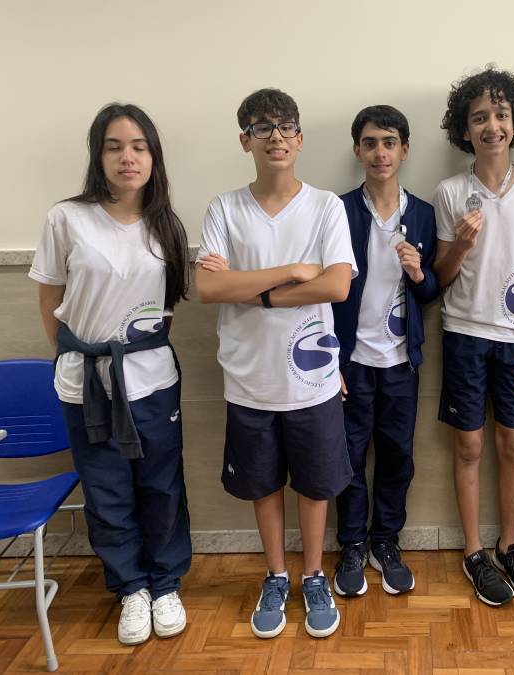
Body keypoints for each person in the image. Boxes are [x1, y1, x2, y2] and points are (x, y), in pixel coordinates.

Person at [195, 88, 356, 638]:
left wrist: (255, 293)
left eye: (286, 126)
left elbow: (335, 285)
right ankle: (276, 575)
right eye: (263, 128)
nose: (276, 137)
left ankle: (313, 576)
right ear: (246, 140)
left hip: (313, 379)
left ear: (301, 138)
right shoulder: (224, 208)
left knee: (314, 486)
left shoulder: (326, 206)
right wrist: (290, 271)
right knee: (263, 486)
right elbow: (209, 288)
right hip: (249, 380)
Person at [29, 103, 192, 645]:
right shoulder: (66, 219)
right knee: (107, 489)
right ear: (98, 156)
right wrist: (76, 356)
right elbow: (50, 300)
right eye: (115, 147)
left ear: (154, 157)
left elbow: (167, 308)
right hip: (86, 383)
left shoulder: (166, 224)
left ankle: (165, 584)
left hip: (152, 379)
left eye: (139, 147)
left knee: (161, 485)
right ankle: (131, 589)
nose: (128, 158)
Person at [433, 66, 514, 606]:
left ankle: (509, 544)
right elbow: (440, 277)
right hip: (463, 334)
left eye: (501, 115)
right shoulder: (450, 192)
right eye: (479, 117)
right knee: (470, 445)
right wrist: (460, 244)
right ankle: (474, 552)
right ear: (465, 129)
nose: (492, 126)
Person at [331, 105, 439, 597]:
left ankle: (386, 541)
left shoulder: (422, 214)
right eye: (371, 143)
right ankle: (352, 543)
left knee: (398, 456)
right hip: (351, 362)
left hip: (401, 361)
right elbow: (325, 292)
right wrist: (330, 359)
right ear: (358, 150)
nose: (380, 152)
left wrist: (418, 273)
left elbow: (431, 290)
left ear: (405, 150)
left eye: (390, 142)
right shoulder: (337, 210)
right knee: (349, 457)